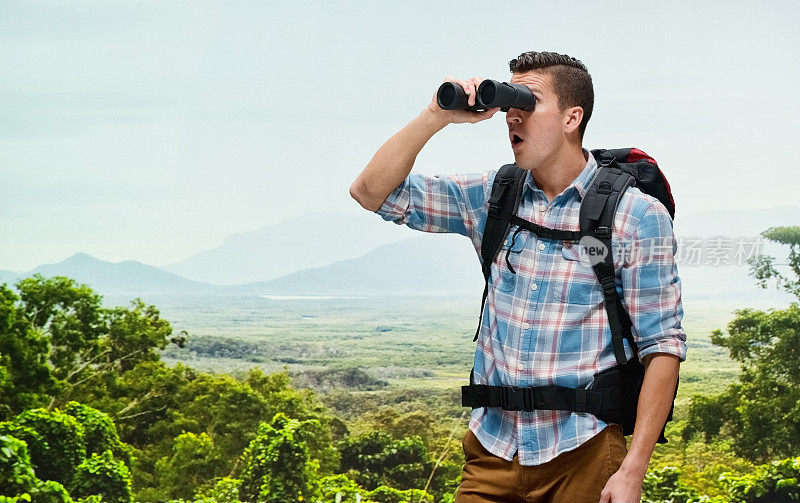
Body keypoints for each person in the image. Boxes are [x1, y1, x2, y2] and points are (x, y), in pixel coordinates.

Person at [349, 51, 686, 503]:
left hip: (583, 451)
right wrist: (436, 115)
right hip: (492, 451)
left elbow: (661, 345)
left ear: (572, 118)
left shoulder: (634, 215)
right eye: (511, 104)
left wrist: (634, 469)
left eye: (530, 102)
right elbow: (371, 192)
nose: (514, 116)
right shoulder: (493, 196)